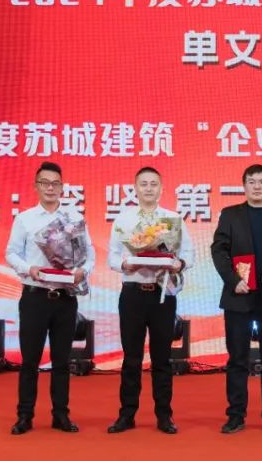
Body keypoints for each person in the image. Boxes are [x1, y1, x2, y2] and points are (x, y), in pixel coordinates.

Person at [4, 161, 95, 435]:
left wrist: (82, 271)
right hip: (35, 297)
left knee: (62, 361)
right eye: (45, 183)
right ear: (36, 186)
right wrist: (28, 268)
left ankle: (61, 415)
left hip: (65, 298)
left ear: (62, 187)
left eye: (55, 183)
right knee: (30, 361)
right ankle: (25, 416)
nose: (50, 188)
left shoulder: (74, 219)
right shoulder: (25, 219)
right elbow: (11, 253)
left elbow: (89, 254)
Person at [107, 166, 194, 435]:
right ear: (135, 188)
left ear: (161, 189)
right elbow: (112, 256)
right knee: (131, 358)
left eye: (153, 184)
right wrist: (125, 264)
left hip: (162, 295)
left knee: (162, 358)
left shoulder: (173, 220)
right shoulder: (124, 219)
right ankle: (127, 414)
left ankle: (164, 416)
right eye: (143, 184)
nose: (148, 188)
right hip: (132, 294)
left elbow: (188, 253)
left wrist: (178, 264)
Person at [211, 164, 262, 434]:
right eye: (252, 181)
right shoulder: (230, 214)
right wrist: (233, 280)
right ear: (244, 185)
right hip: (238, 295)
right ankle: (235, 415)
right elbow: (218, 251)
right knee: (237, 358)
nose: (257, 186)